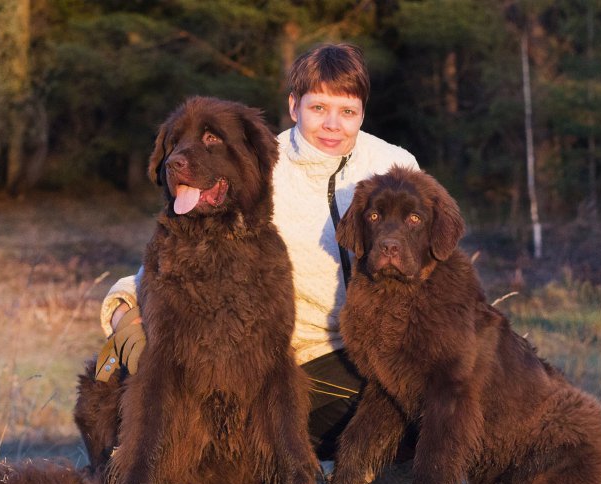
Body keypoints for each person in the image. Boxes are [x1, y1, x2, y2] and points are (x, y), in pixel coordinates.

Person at [97, 43, 418, 460]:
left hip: (383, 348)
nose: (333, 125)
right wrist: (124, 314)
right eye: (318, 108)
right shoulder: (258, 165)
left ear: (363, 112)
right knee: (386, 433)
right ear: (293, 105)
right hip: (292, 359)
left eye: (348, 111)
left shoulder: (395, 165)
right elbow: (174, 258)